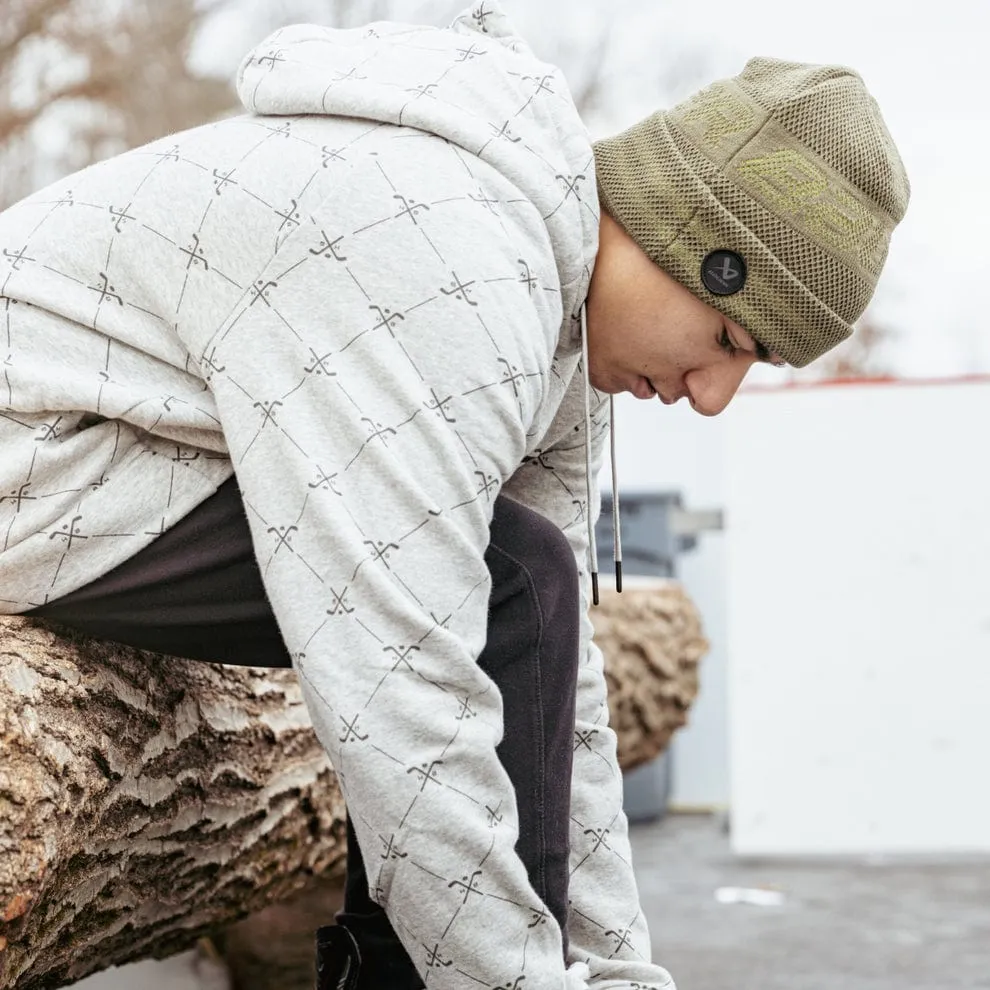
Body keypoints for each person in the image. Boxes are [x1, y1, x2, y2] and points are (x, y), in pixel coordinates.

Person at [0, 2, 909, 988]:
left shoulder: (550, 292)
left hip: (86, 463)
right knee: (498, 587)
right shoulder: (448, 259)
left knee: (526, 579)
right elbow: (406, 674)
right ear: (688, 238)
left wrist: (617, 967)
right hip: (32, 457)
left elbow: (560, 680)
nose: (712, 395)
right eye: (730, 340)